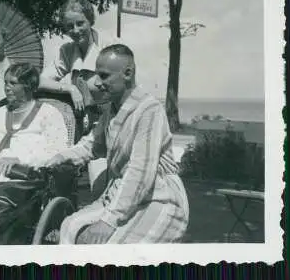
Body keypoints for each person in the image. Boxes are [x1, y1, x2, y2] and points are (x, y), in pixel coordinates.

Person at [39, 44, 189, 244]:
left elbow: (140, 173)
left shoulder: (149, 110)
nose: (97, 82)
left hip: (158, 196)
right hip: (124, 193)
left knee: (108, 246)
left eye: (104, 76)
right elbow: (92, 146)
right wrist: (59, 157)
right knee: (70, 227)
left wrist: (109, 220)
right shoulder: (111, 110)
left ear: (127, 73)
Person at [39, 0, 118, 125]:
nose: (75, 30)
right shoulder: (67, 50)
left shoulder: (108, 45)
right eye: (70, 26)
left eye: (80, 23)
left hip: (111, 118)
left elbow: (120, 88)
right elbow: (40, 81)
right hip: (84, 120)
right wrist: (69, 88)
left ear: (90, 21)